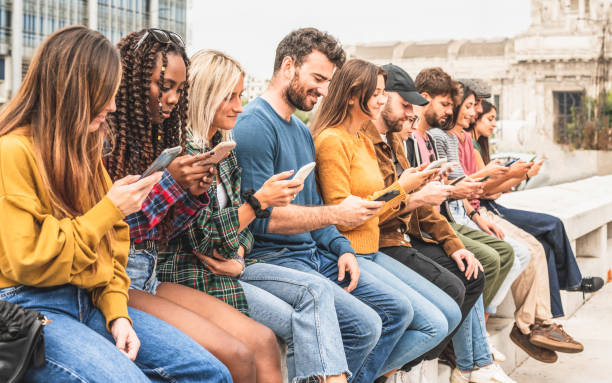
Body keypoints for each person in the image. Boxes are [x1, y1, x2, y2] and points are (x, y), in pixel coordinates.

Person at [0, 26, 230, 382]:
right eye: (104, 94)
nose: (111, 105)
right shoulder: (12, 152)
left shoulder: (84, 150)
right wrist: (111, 208)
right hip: (32, 305)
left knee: (210, 372)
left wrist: (117, 313)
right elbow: (30, 260)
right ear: (72, 91)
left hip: (89, 299)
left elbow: (114, 246)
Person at [157, 49, 352, 383]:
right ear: (205, 96)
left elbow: (243, 231)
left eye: (240, 95)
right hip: (191, 273)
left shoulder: (225, 149)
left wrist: (241, 254)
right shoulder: (184, 155)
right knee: (289, 325)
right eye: (229, 97)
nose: (239, 106)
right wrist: (259, 203)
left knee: (307, 318)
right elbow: (202, 238)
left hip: (231, 267)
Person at [234, 28, 414, 383]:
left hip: (314, 256)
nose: (324, 90)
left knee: (388, 315)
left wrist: (342, 247)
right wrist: (337, 214)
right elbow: (259, 221)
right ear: (288, 66)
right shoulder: (255, 125)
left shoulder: (301, 132)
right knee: (366, 325)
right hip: (274, 259)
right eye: (317, 78)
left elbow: (314, 207)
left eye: (328, 81)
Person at [106, 29, 281, 382]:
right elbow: (117, 229)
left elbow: (164, 230)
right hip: (120, 279)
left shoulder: (157, 139)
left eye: (178, 90)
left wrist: (191, 194)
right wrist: (174, 185)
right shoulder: (109, 141)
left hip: (150, 273)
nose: (171, 99)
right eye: (164, 86)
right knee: (235, 354)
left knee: (261, 341)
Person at [311, 58, 460, 378]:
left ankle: (371, 373)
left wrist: (410, 187)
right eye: (377, 93)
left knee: (447, 313)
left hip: (372, 248)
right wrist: (401, 189)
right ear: (353, 96)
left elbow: (377, 203)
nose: (382, 99)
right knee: (427, 321)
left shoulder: (362, 139)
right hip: (351, 251)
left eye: (383, 93)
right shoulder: (331, 140)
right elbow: (342, 217)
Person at [365, 63, 485, 377]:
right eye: (405, 106)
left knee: (471, 274)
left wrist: (454, 243)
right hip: (381, 245)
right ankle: (396, 366)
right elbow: (365, 213)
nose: (409, 116)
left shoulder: (394, 143)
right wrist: (417, 197)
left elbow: (422, 206)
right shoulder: (355, 142)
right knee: (453, 291)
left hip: (399, 240)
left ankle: (417, 360)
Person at [412, 68, 516, 383]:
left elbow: (464, 193)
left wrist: (505, 176)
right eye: (462, 106)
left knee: (492, 259)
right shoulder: (428, 137)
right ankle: (470, 358)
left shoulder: (434, 138)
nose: (469, 113)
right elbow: (451, 193)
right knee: (473, 269)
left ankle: (474, 355)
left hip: (443, 220)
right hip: (424, 228)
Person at [467, 100, 585, 360]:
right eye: (488, 117)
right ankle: (547, 313)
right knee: (541, 239)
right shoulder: (467, 142)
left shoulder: (476, 145)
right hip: (482, 211)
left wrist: (522, 175)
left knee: (545, 239)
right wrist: (516, 174)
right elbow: (482, 190)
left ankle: (545, 319)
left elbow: (493, 190)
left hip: (487, 207)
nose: (493, 123)